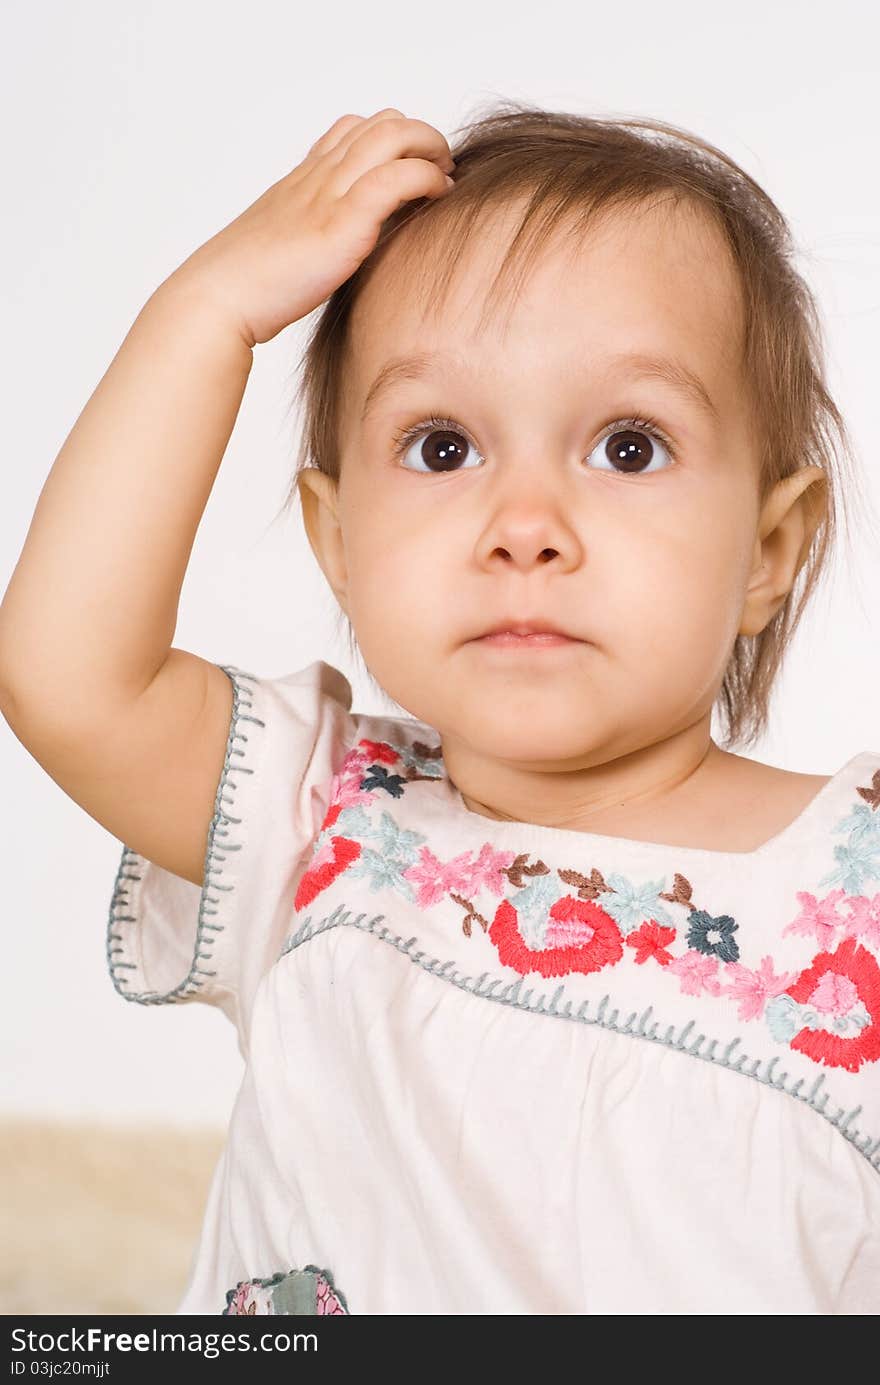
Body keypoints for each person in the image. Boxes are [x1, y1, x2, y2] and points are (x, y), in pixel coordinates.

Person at [1, 100, 878, 1316]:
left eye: (627, 447)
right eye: (441, 446)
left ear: (769, 549)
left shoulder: (859, 897)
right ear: (339, 539)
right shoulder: (319, 820)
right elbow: (67, 676)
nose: (523, 525)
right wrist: (206, 316)